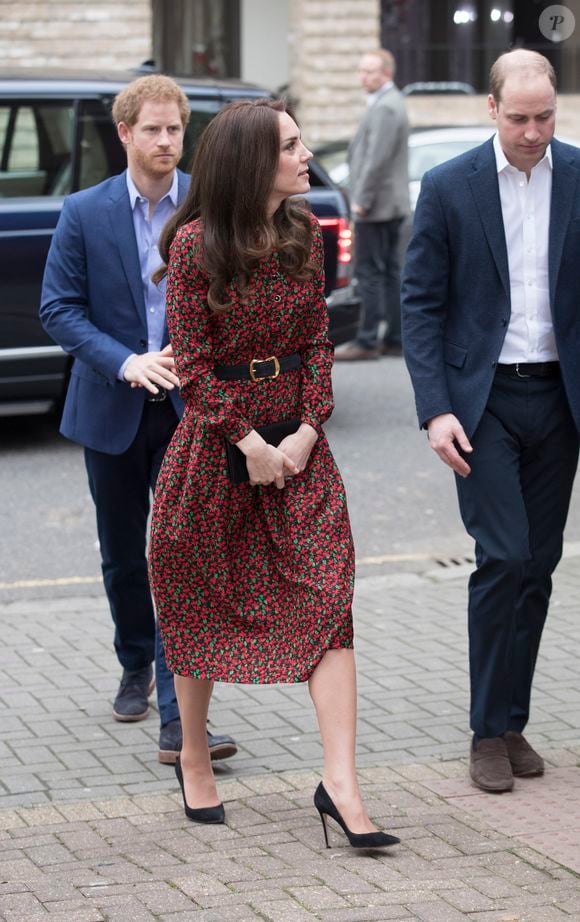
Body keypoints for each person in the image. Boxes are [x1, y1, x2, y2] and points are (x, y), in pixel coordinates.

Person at [147, 97, 400, 848]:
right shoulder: (194, 246)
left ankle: (342, 785)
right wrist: (249, 442)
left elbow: (319, 338)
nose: (304, 157)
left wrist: (310, 427)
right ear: (253, 161)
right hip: (219, 443)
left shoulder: (301, 230)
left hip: (300, 441)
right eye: (291, 146)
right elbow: (190, 363)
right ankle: (194, 754)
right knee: (200, 595)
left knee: (329, 595)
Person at [40, 74, 237, 766]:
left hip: (192, 411)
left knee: (177, 559)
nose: (164, 141)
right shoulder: (84, 212)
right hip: (112, 406)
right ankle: (133, 659)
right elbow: (58, 309)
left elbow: (232, 298)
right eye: (151, 129)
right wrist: (127, 361)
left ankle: (180, 725)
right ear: (125, 134)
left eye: (175, 130)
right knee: (124, 555)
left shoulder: (208, 208)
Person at [401, 49, 580, 793]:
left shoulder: (577, 174)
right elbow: (419, 305)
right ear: (490, 107)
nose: (534, 132)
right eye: (519, 118)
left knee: (539, 566)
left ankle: (512, 721)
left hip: (561, 398)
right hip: (484, 404)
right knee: (502, 557)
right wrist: (437, 409)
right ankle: (484, 732)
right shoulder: (448, 187)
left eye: (545, 117)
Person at [336, 49, 410, 362]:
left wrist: (361, 201)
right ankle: (393, 338)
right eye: (361, 71)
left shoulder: (385, 108)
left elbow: (375, 160)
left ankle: (367, 341)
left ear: (387, 74)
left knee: (369, 273)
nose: (363, 77)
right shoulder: (389, 103)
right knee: (390, 273)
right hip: (388, 205)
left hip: (377, 206)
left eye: (370, 72)